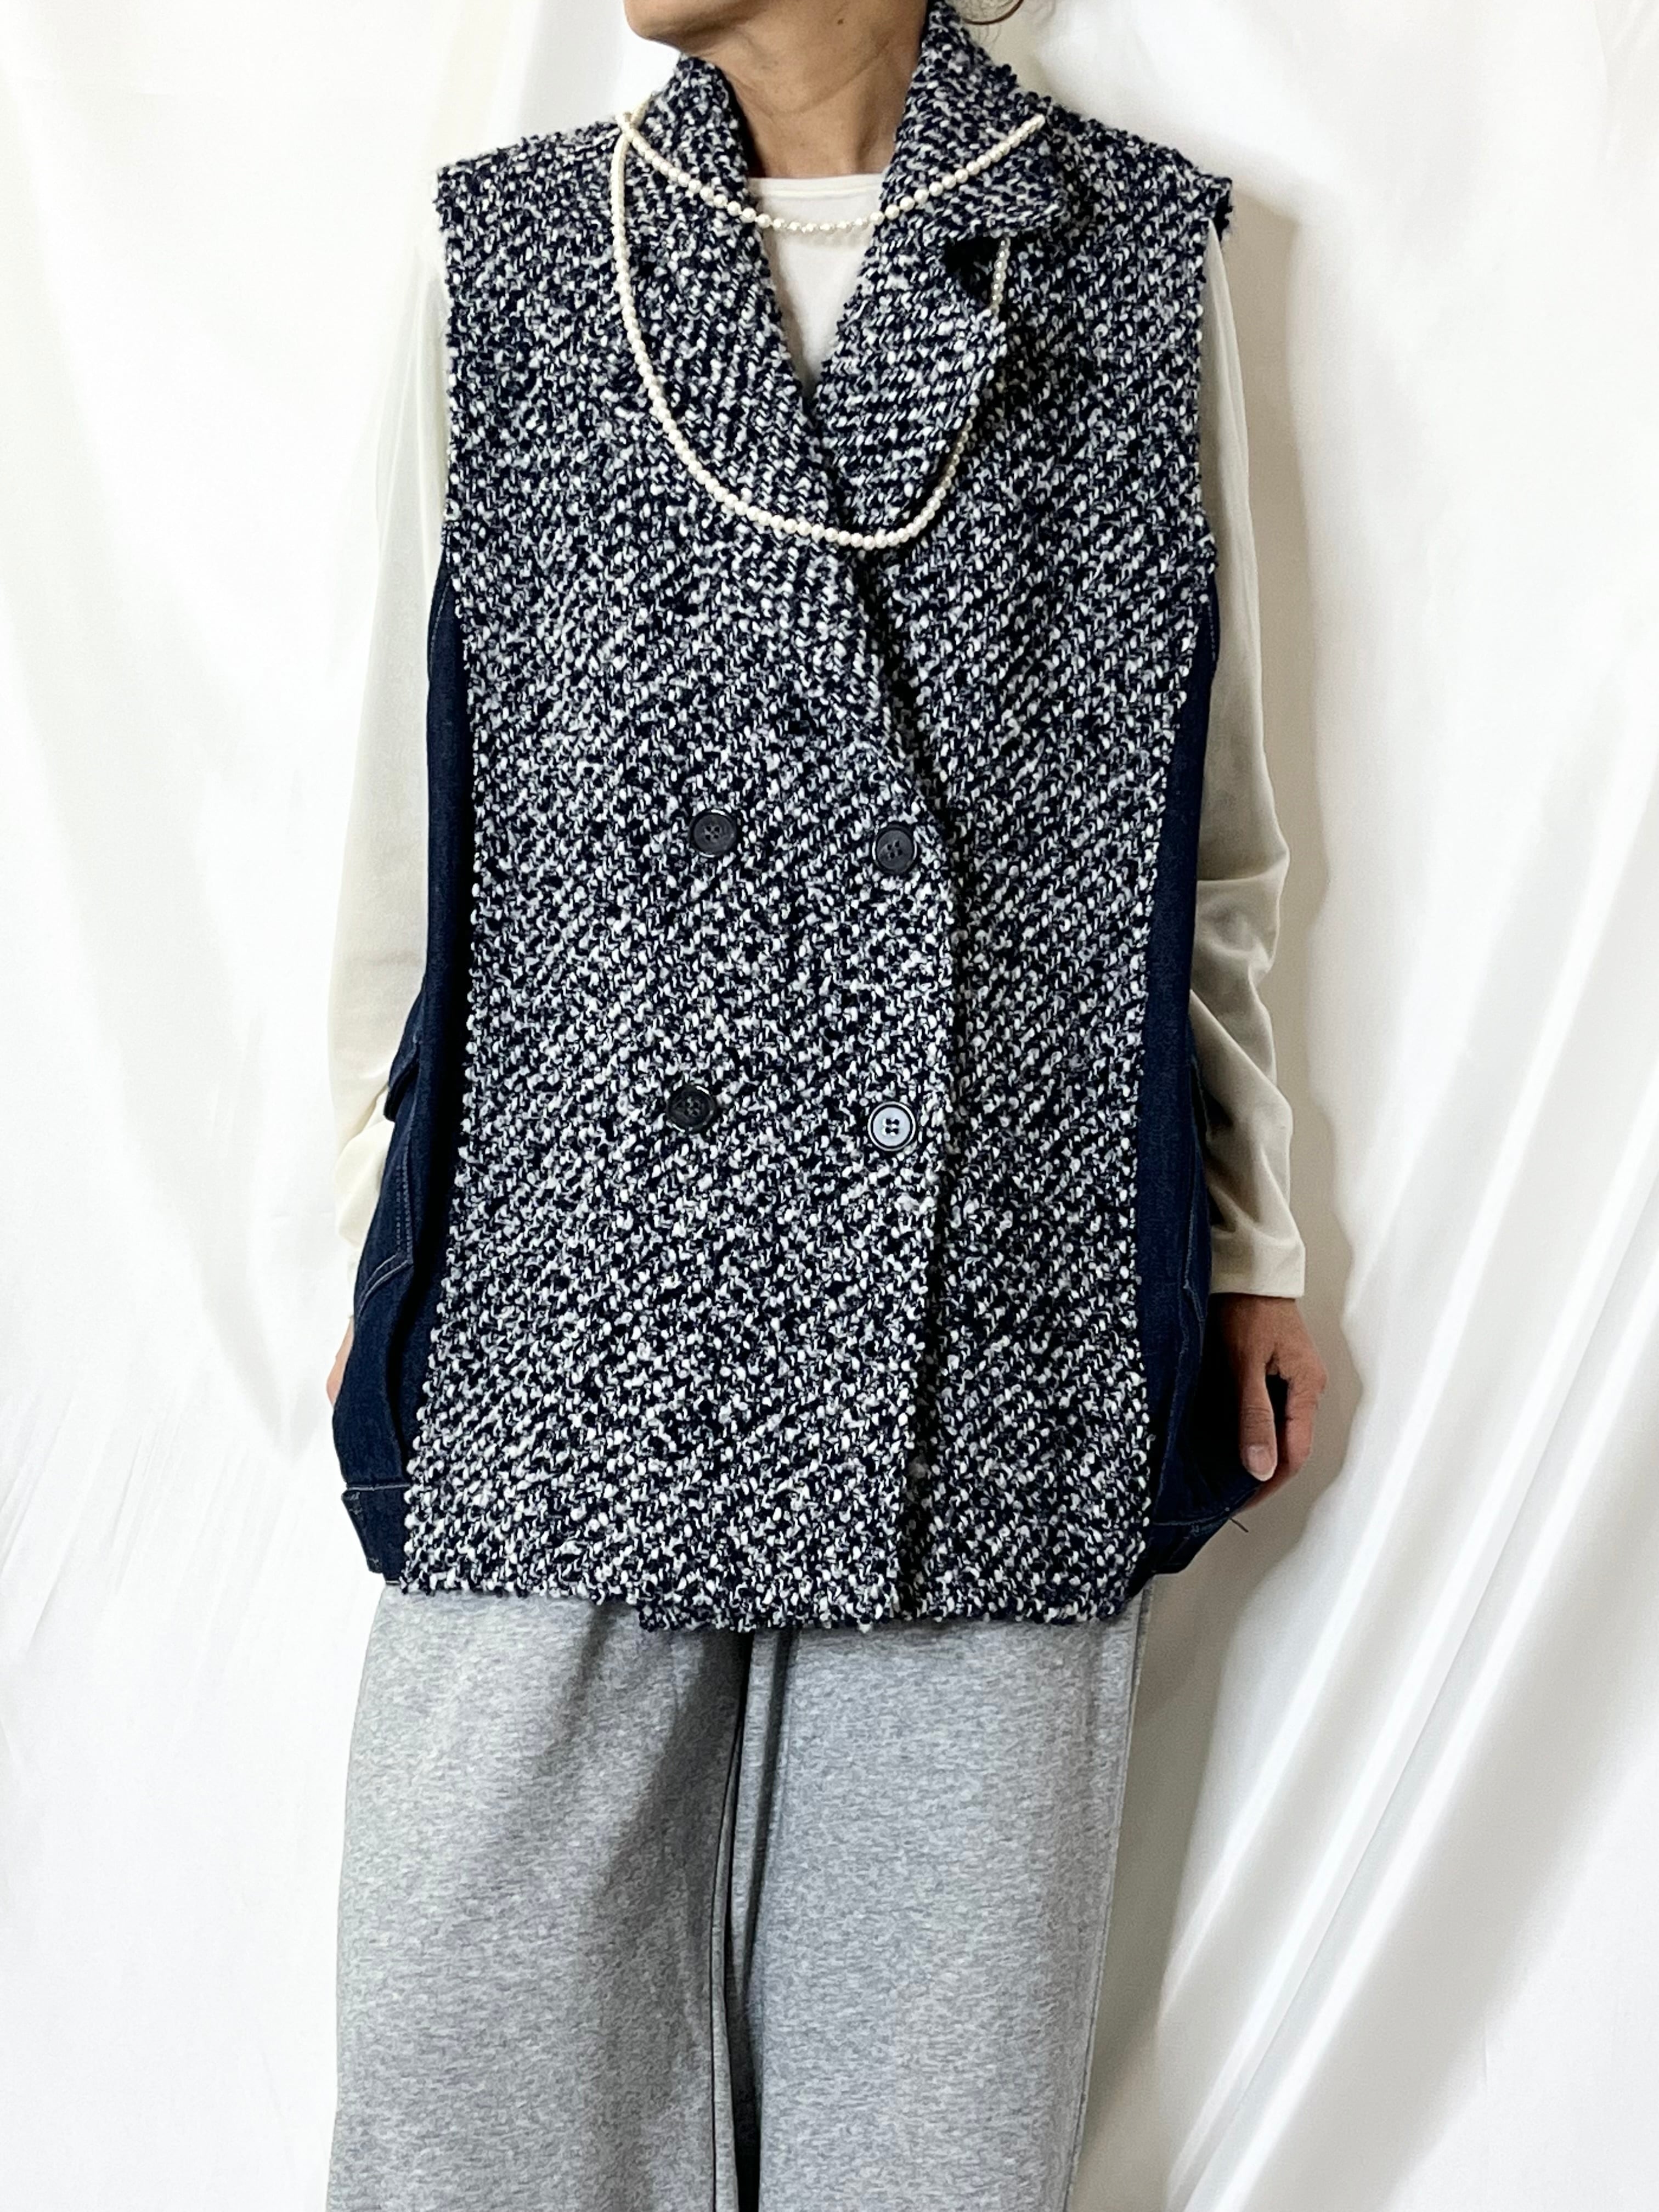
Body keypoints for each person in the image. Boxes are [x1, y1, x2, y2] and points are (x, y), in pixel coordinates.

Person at [321, 0, 1328, 2204]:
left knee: (924, 2130)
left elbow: (1206, 831)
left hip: (991, 1286)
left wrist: (1244, 1229)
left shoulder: (1124, 252)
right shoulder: (523, 251)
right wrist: (374, 1240)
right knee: (462, 2047)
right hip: (573, 1281)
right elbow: (415, 812)